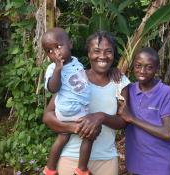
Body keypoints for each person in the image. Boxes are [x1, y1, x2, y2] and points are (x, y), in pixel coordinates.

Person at [43, 31, 130, 175]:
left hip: (106, 159)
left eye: (108, 51)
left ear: (114, 54)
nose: (102, 56)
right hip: (71, 158)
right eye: (96, 51)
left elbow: (124, 121)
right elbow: (47, 117)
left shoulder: (119, 81)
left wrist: (100, 117)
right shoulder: (74, 78)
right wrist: (75, 128)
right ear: (88, 54)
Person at [117, 47, 170, 175]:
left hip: (160, 165)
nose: (142, 71)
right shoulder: (128, 90)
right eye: (138, 66)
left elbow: (167, 133)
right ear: (133, 66)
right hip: (136, 163)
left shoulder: (166, 93)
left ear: (156, 69)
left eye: (149, 67)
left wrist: (133, 119)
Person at [41, 27, 93, 175]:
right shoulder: (53, 68)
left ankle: (50, 169)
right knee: (90, 135)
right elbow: (53, 88)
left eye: (58, 47)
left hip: (78, 107)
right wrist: (58, 69)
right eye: (49, 51)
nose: (55, 53)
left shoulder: (76, 62)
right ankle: (82, 169)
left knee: (63, 136)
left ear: (70, 44)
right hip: (71, 108)